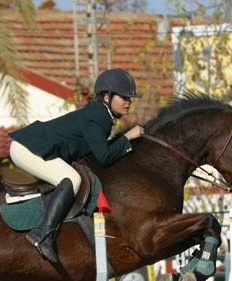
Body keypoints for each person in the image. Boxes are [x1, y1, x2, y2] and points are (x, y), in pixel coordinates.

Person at [8, 68, 144, 263]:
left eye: (130, 98)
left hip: (31, 147)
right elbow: (104, 157)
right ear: (106, 97)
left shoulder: (100, 115)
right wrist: (128, 138)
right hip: (27, 149)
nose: (129, 102)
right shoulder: (99, 116)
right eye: (124, 97)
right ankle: (43, 235)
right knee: (72, 179)